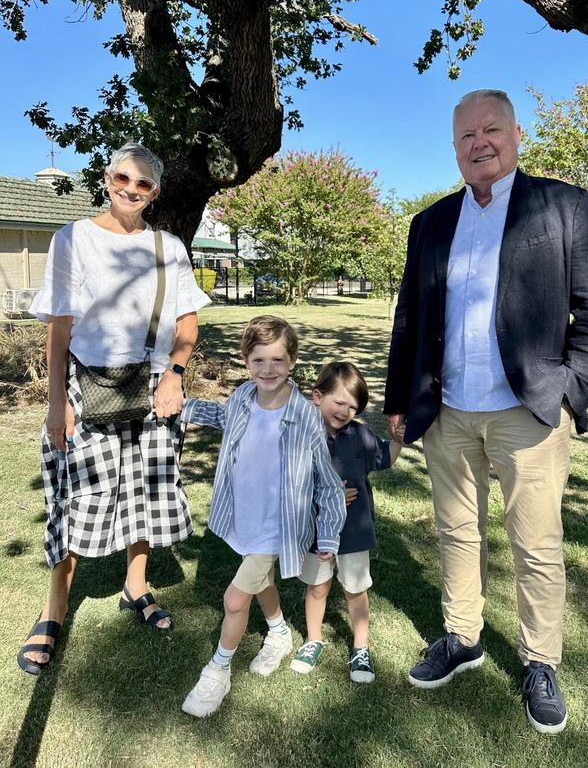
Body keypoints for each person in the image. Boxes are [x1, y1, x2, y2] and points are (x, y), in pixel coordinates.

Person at [384, 90, 588, 734]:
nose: (479, 143)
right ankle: (463, 637)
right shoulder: (429, 222)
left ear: (516, 134)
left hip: (530, 410)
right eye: (466, 136)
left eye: (491, 130)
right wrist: (399, 398)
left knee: (536, 544)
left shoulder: (560, 204)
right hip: (448, 411)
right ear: (454, 147)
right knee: (457, 533)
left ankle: (541, 660)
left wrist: (574, 391)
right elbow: (410, 318)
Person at [18, 142, 211, 676]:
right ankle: (53, 609)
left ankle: (136, 587)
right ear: (107, 177)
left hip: (151, 388)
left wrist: (175, 374)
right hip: (88, 383)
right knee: (73, 493)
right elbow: (59, 327)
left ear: (156, 192)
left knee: (146, 491)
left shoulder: (168, 246)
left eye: (144, 183)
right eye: (123, 177)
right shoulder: (73, 238)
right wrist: (57, 403)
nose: (131, 189)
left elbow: (187, 321)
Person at [180, 316, 346, 718]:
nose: (267, 370)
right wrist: (186, 408)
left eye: (277, 360)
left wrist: (327, 534)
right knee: (260, 580)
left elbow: (327, 481)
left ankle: (218, 671)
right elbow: (225, 418)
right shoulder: (241, 396)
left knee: (235, 598)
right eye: (258, 360)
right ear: (246, 361)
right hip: (246, 515)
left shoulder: (306, 415)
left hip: (279, 524)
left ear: (292, 361)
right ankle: (278, 632)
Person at [290, 362, 402, 682]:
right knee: (317, 586)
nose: (345, 411)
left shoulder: (360, 434)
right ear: (317, 396)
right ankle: (313, 640)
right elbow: (289, 481)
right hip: (315, 530)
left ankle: (360, 648)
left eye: (353, 407)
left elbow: (384, 458)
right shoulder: (301, 437)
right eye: (339, 402)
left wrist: (397, 440)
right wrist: (321, 496)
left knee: (355, 589)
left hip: (354, 531)